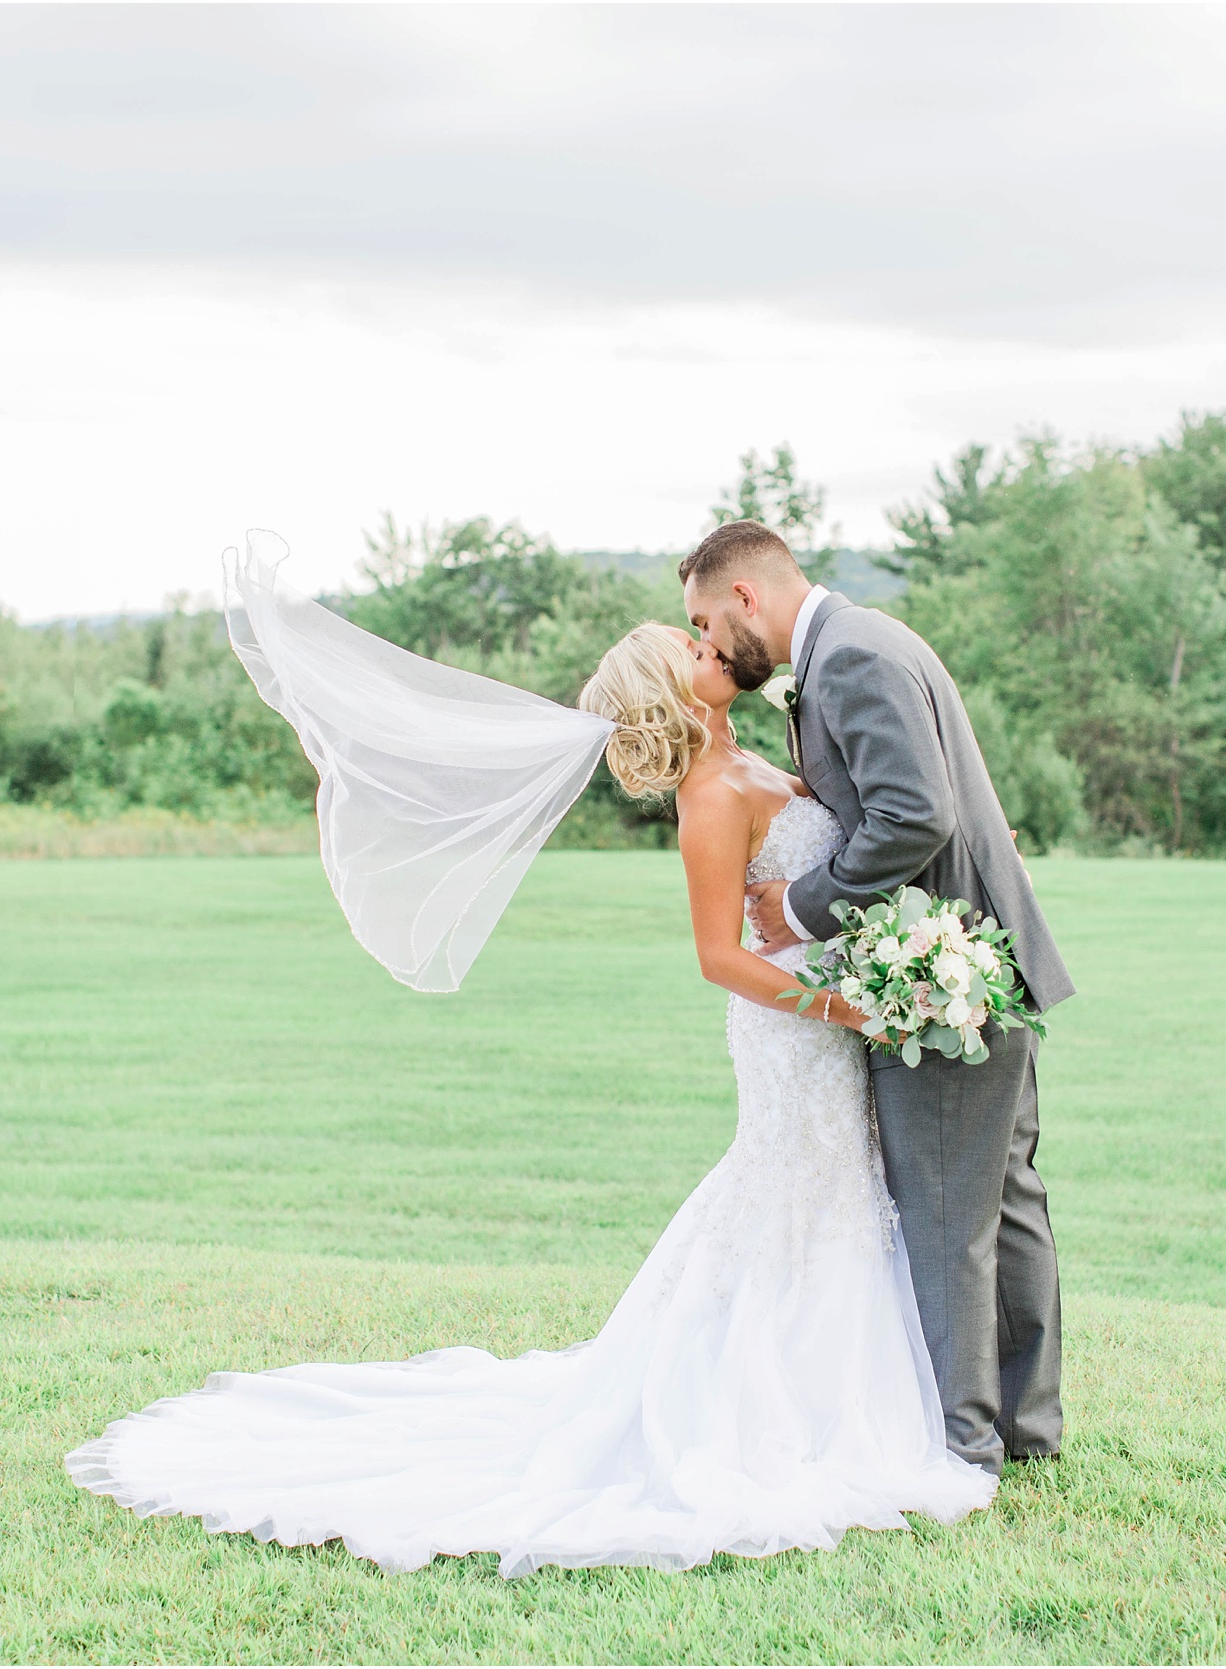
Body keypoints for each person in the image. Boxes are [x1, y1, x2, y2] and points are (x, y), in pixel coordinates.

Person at [66, 528, 1038, 1575]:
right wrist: (850, 1011)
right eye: (694, 640)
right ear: (674, 681)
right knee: (802, 1204)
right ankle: (817, 1414)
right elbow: (720, 955)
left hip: (830, 1024)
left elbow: (868, 829)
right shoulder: (707, 801)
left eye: (704, 626)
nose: (708, 644)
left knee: (853, 1208)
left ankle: (902, 1403)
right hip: (792, 1033)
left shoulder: (762, 752)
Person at [682, 519, 1073, 1475]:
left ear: (746, 596)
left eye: (700, 618)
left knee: (945, 1204)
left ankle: (964, 1445)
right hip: (976, 957)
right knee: (1004, 1199)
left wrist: (803, 905)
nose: (700, 638)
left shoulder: (850, 657)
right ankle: (1025, 1429)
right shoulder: (856, 645)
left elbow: (915, 811)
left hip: (941, 972)